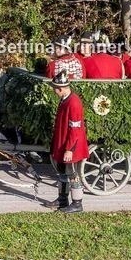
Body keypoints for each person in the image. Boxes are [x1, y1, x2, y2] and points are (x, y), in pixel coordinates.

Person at [47, 71, 88, 214]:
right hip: (63, 143)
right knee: (62, 173)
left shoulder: (74, 103)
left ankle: (77, 203)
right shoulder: (65, 99)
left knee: (73, 174)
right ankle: (62, 199)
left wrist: (69, 149)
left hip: (72, 147)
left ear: (61, 88)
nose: (54, 90)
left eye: (55, 88)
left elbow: (75, 129)